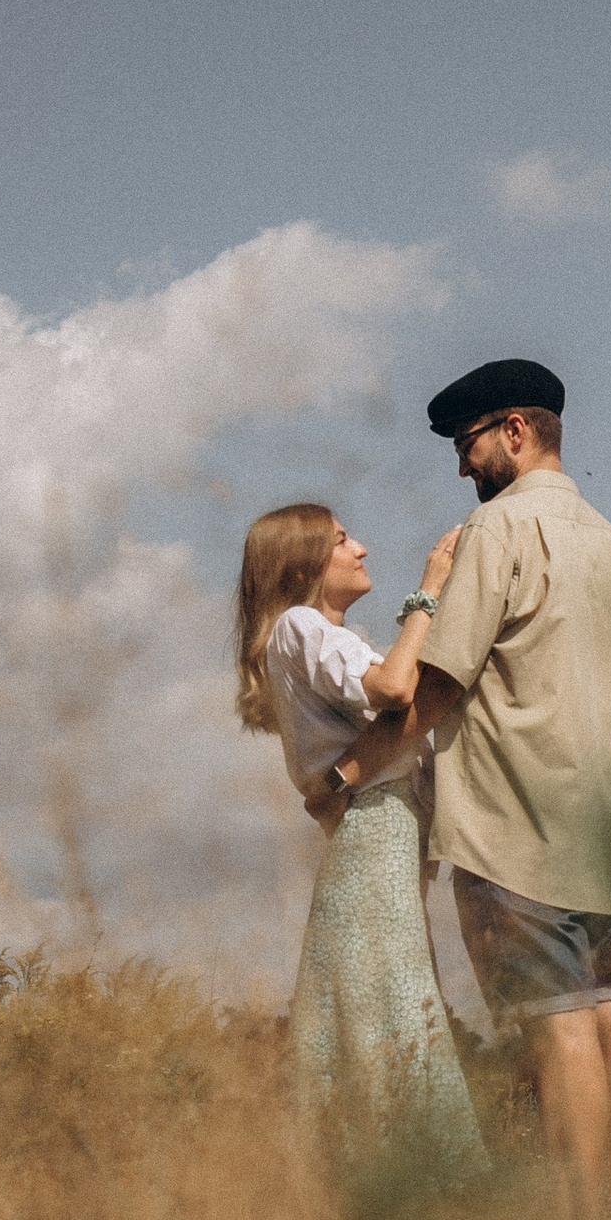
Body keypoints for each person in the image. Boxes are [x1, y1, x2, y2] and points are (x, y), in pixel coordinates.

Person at [377, 358, 611, 1220]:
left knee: (557, 1025)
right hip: (609, 823)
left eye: (466, 447)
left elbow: (440, 680)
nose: (462, 469)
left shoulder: (496, 531)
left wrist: (361, 770)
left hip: (512, 820)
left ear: (513, 430)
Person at [232, 498, 485, 1180]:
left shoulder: (304, 634)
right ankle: (432, 1189)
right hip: (374, 827)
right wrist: (429, 588)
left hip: (372, 831)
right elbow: (397, 687)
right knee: (398, 1012)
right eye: (343, 540)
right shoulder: (301, 627)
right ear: (303, 564)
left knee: (374, 1013)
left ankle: (372, 1192)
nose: (361, 549)